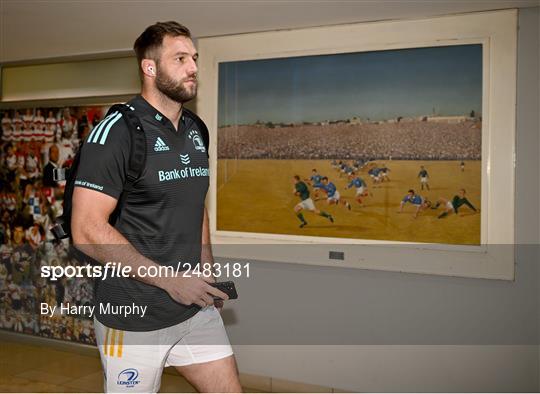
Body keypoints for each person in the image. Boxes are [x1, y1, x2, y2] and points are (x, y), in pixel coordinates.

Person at [70, 21, 241, 393]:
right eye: (180, 58)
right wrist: (170, 280)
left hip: (193, 308)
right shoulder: (115, 131)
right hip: (132, 317)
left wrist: (206, 271)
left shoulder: (196, 129)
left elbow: (197, 206)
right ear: (150, 68)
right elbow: (85, 230)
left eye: (194, 58)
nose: (193, 67)